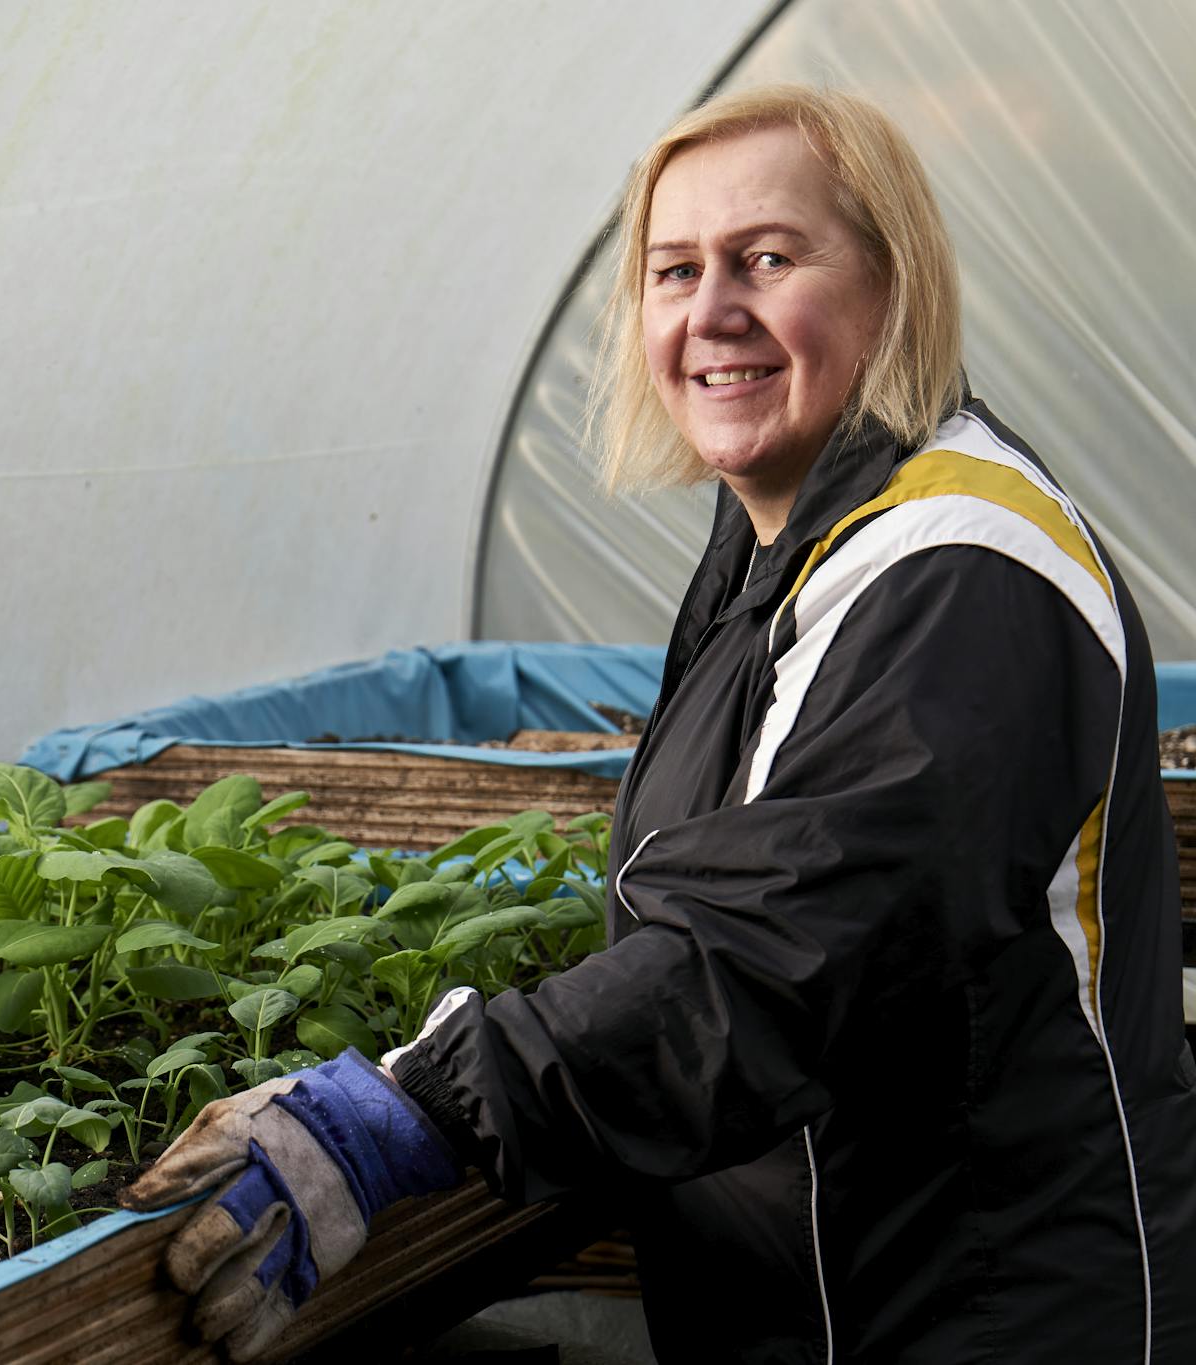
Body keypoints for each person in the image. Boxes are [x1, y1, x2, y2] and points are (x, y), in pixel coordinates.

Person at [124, 84, 1196, 1363]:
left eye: (766, 258)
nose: (709, 313)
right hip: (826, 1294)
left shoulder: (959, 572)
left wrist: (420, 1109)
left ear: (891, 285)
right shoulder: (782, 541)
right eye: (672, 270)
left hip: (972, 1313)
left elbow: (769, 958)